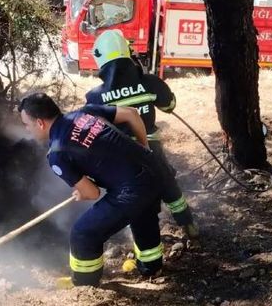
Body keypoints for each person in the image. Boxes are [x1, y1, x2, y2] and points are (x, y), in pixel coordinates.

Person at [19, 93, 165, 286]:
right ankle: (152, 269)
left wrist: (82, 192)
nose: (27, 131)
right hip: (155, 171)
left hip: (133, 189)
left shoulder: (57, 153)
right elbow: (131, 113)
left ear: (40, 123)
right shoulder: (84, 113)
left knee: (83, 233)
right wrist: (144, 147)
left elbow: (92, 193)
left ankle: (85, 285)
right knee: (142, 215)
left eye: (26, 125)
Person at [85, 30, 199, 239]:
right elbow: (169, 105)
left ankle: (139, 245)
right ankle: (188, 224)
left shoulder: (94, 96)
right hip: (152, 149)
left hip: (121, 158)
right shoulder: (148, 83)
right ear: (128, 53)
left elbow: (94, 130)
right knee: (168, 184)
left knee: (135, 196)